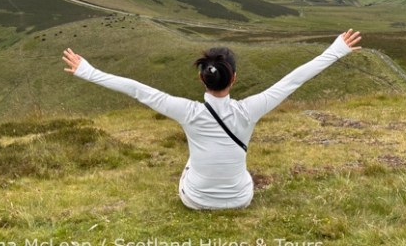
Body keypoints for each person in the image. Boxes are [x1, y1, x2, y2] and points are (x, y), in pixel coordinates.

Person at [62, 29, 361, 210]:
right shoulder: (251, 109)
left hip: (194, 200)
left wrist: (88, 71)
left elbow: (139, 91)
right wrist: (337, 50)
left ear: (201, 78)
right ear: (235, 78)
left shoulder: (186, 111)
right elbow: (292, 80)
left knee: (191, 162)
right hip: (241, 199)